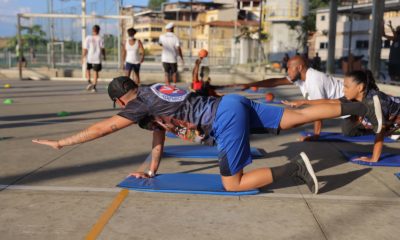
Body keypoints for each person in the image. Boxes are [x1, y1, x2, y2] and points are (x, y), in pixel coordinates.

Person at [32, 76, 383, 194]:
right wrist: (152, 171)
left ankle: (295, 170)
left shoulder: (137, 103)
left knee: (233, 183)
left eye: (118, 104)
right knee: (298, 116)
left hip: (222, 118)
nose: (120, 110)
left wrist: (62, 142)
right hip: (231, 104)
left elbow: (103, 128)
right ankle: (363, 108)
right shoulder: (154, 92)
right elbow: (159, 138)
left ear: (122, 97)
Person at [283, 70, 400, 162]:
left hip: (394, 120)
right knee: (350, 128)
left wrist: (374, 158)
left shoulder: (373, 102)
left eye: (346, 87)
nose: (343, 90)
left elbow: (380, 134)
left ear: (360, 88)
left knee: (380, 127)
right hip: (391, 121)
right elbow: (331, 102)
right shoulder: (356, 97)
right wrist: (303, 102)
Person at [236, 55, 344, 141]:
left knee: (352, 131)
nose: (287, 71)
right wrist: (251, 84)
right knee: (349, 129)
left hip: (349, 102)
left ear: (299, 67)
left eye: (289, 68)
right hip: (341, 106)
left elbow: (320, 109)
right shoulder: (300, 77)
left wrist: (316, 135)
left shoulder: (314, 80)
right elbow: (276, 82)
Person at [82, 25, 106, 92]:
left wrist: (83, 57)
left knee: (88, 70)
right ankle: (94, 86)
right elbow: (102, 48)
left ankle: (89, 82)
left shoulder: (88, 38)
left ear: (92, 30)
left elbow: (85, 49)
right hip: (97, 57)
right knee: (95, 72)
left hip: (89, 57)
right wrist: (104, 56)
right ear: (99, 30)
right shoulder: (100, 38)